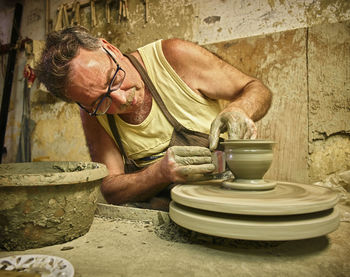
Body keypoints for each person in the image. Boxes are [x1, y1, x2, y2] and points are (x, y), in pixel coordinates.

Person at [36, 27, 272, 210]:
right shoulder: (92, 113)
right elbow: (111, 189)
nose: (121, 99)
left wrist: (239, 110)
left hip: (232, 203)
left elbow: (257, 88)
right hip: (165, 215)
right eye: (101, 101)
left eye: (114, 79)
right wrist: (159, 174)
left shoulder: (173, 57)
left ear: (111, 49)